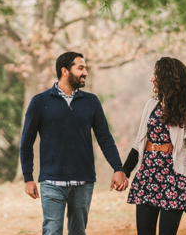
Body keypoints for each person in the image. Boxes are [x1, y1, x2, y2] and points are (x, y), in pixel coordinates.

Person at [20, 51, 128, 235]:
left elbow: (105, 138)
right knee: (52, 231)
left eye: (85, 68)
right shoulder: (39, 102)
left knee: (78, 232)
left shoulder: (91, 101)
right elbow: (26, 142)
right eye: (81, 68)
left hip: (83, 181)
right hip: (52, 181)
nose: (85, 72)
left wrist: (118, 168)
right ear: (65, 71)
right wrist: (28, 178)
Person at [121, 56, 186, 235]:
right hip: (148, 175)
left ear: (168, 78)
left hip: (174, 178)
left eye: (156, 75)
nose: (152, 79)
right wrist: (125, 171)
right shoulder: (151, 105)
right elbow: (139, 142)